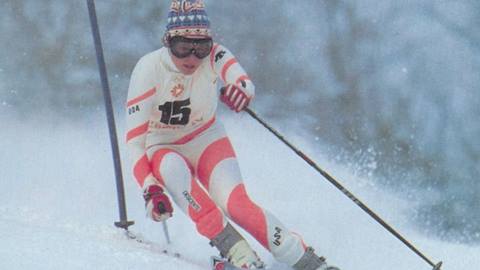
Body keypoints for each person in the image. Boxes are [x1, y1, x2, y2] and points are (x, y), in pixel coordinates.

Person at [126, 1, 340, 269]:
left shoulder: (215, 55)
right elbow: (135, 143)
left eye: (200, 48)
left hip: (206, 139)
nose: (192, 58)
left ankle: (304, 259)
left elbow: (242, 81)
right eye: (182, 47)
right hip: (162, 146)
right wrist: (151, 188)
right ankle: (239, 254)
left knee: (236, 204)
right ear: (168, 42)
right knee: (171, 168)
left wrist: (240, 91)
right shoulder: (148, 69)